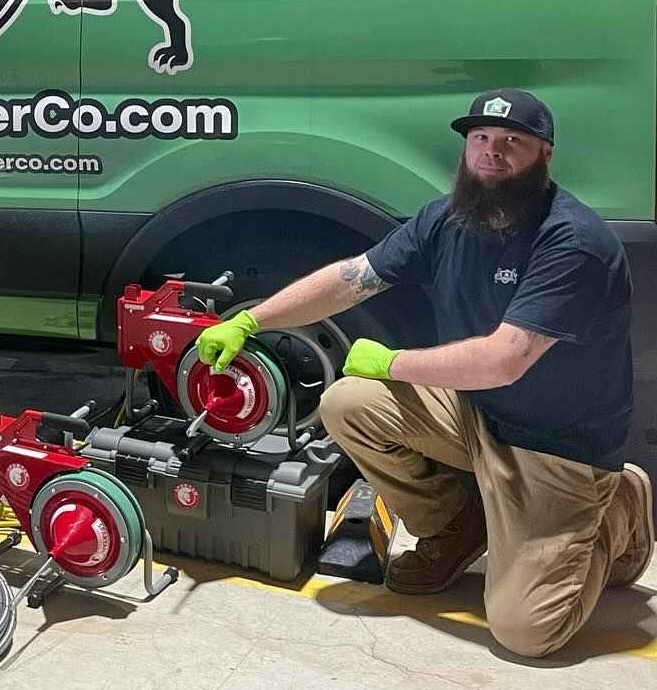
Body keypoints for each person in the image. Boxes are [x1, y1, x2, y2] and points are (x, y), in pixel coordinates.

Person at [196, 89, 654, 658]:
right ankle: (455, 524)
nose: (492, 153)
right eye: (480, 140)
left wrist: (393, 362)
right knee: (348, 404)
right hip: (477, 411)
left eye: (513, 142)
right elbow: (351, 277)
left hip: (556, 447)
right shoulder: (447, 219)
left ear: (545, 155)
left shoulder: (574, 243)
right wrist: (249, 320)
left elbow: (504, 360)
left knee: (527, 632)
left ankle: (616, 510)